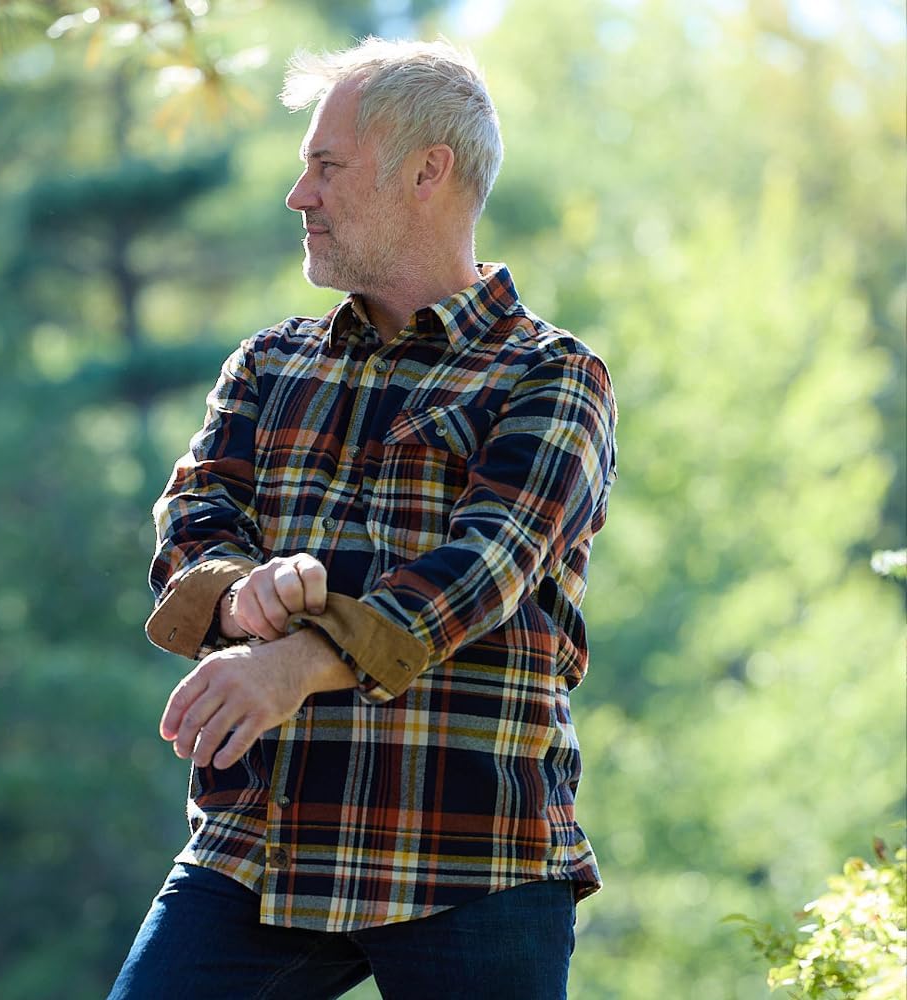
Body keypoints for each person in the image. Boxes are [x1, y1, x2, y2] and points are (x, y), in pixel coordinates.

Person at [108, 36, 617, 1000]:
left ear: (429, 172)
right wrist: (240, 597)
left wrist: (294, 664)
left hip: (470, 859)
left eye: (325, 167)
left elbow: (484, 568)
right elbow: (193, 514)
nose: (300, 196)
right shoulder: (268, 363)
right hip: (260, 845)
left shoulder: (552, 376)